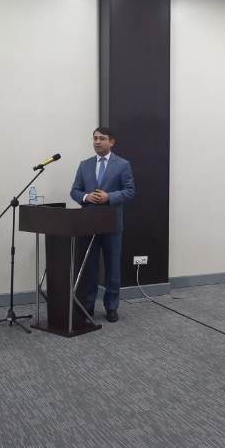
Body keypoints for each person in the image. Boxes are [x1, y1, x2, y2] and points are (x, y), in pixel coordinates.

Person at [70, 127, 135, 322]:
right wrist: (86, 197)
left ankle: (111, 307)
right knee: (89, 268)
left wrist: (109, 197)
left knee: (112, 268)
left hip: (112, 224)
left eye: (102, 138)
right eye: (95, 138)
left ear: (111, 142)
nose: (97, 142)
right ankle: (87, 306)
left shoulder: (122, 165)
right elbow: (74, 191)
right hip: (88, 224)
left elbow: (130, 191)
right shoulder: (85, 165)